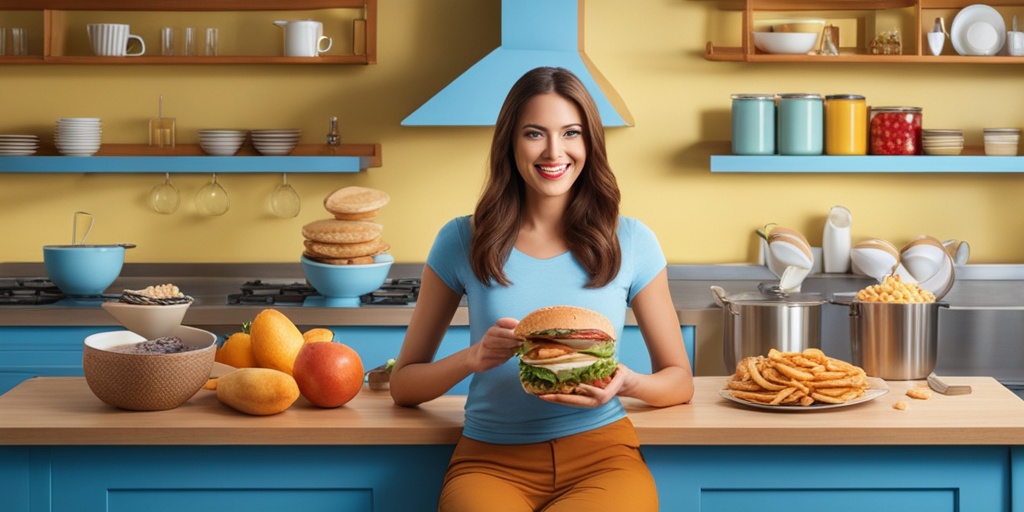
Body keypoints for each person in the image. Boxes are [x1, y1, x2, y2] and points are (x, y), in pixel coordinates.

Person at [389, 66, 694, 512]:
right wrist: (473, 358)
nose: (555, 151)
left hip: (602, 458)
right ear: (510, 144)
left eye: (571, 133)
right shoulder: (461, 240)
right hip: (489, 463)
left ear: (589, 142)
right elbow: (404, 385)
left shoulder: (631, 241)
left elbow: (679, 380)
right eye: (535, 134)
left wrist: (628, 382)